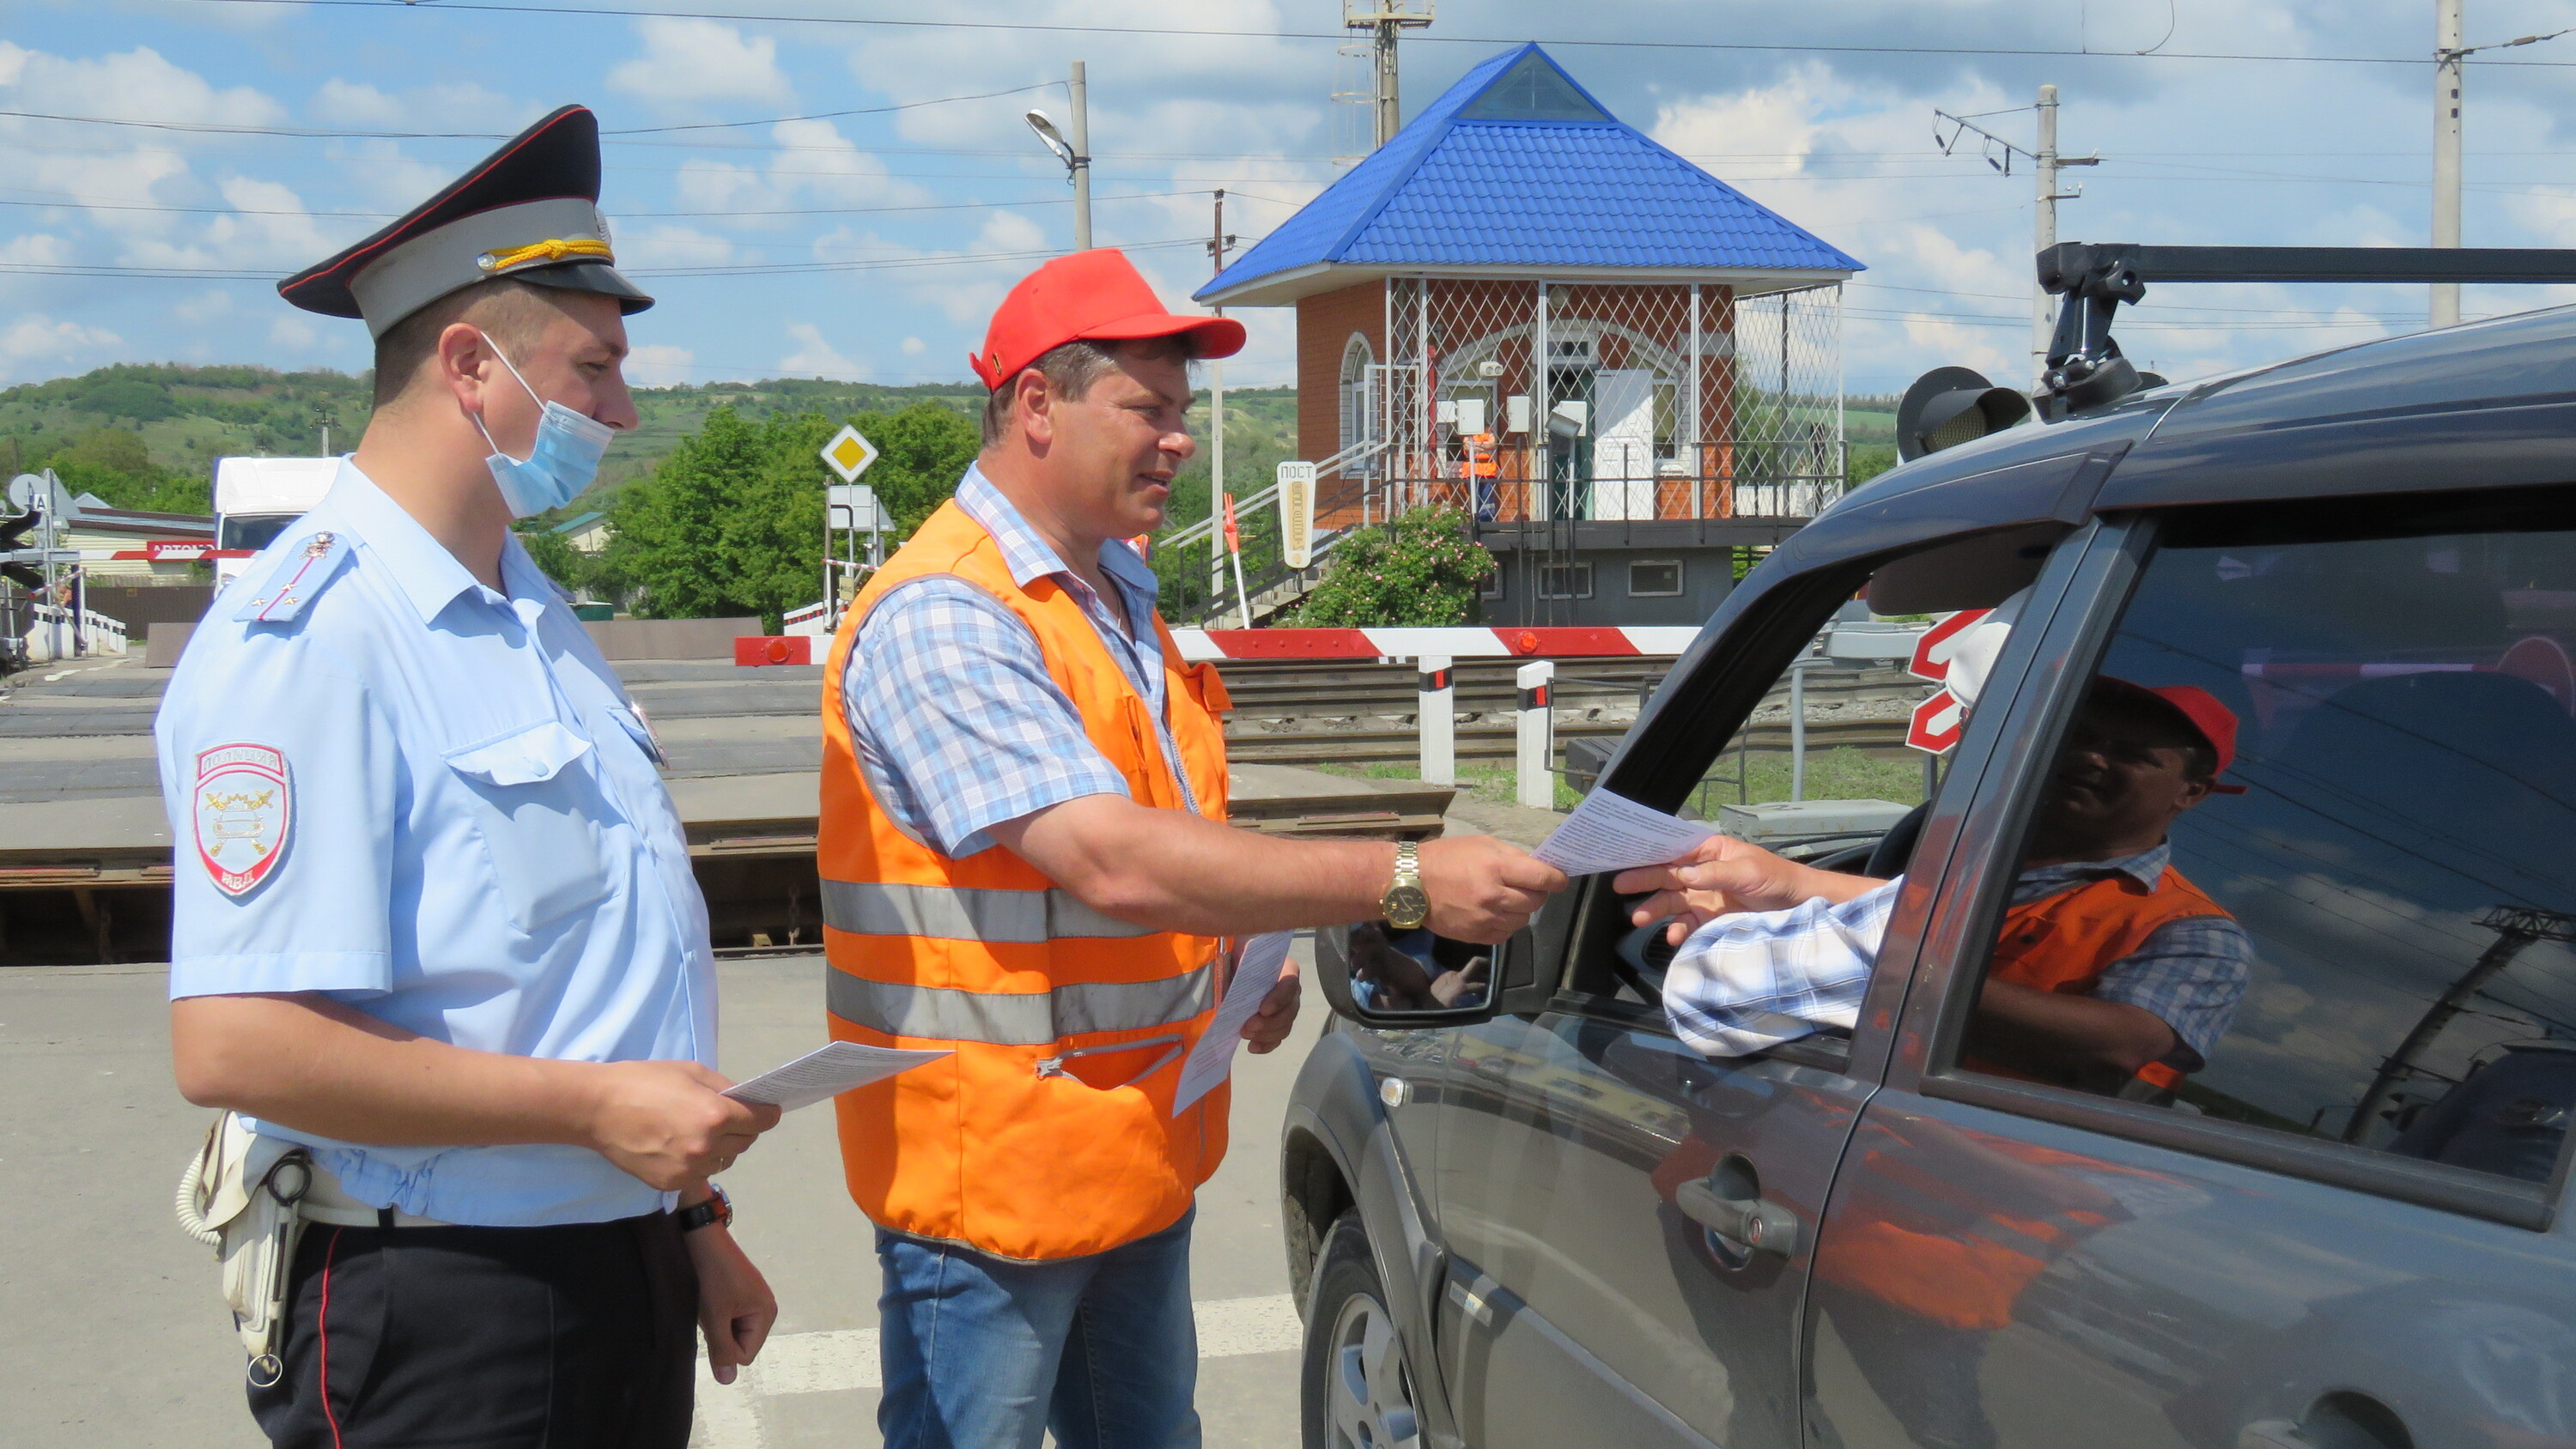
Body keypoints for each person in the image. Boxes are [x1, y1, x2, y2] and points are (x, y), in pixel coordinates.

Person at [819, 248, 1565, 1449]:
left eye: (1182, 412)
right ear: (1036, 406)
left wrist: (1218, 975)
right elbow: (1108, 859)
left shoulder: (1115, 598)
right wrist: (1403, 875)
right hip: (993, 1185)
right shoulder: (950, 613)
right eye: (1148, 409)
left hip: (1134, 1149)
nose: (1177, 440)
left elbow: (1155, 859)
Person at [159, 106, 777, 1448]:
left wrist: (689, 1223)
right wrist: (598, 1112)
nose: (621, 408)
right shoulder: (311, 636)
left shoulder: (525, 603)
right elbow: (234, 1044)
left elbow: (573, 979)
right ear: (468, 363)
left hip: (612, 1257)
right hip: (442, 1297)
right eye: (595, 368)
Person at [1625, 676, 2255, 1098]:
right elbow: (1904, 912)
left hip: (1970, 1249)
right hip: (1789, 1182)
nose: (2092, 758)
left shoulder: (2193, 930)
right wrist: (1790, 883)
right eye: (2083, 737)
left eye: (2134, 754)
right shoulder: (1976, 856)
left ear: (2191, 791)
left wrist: (1890, 971)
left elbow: (2120, 1046)